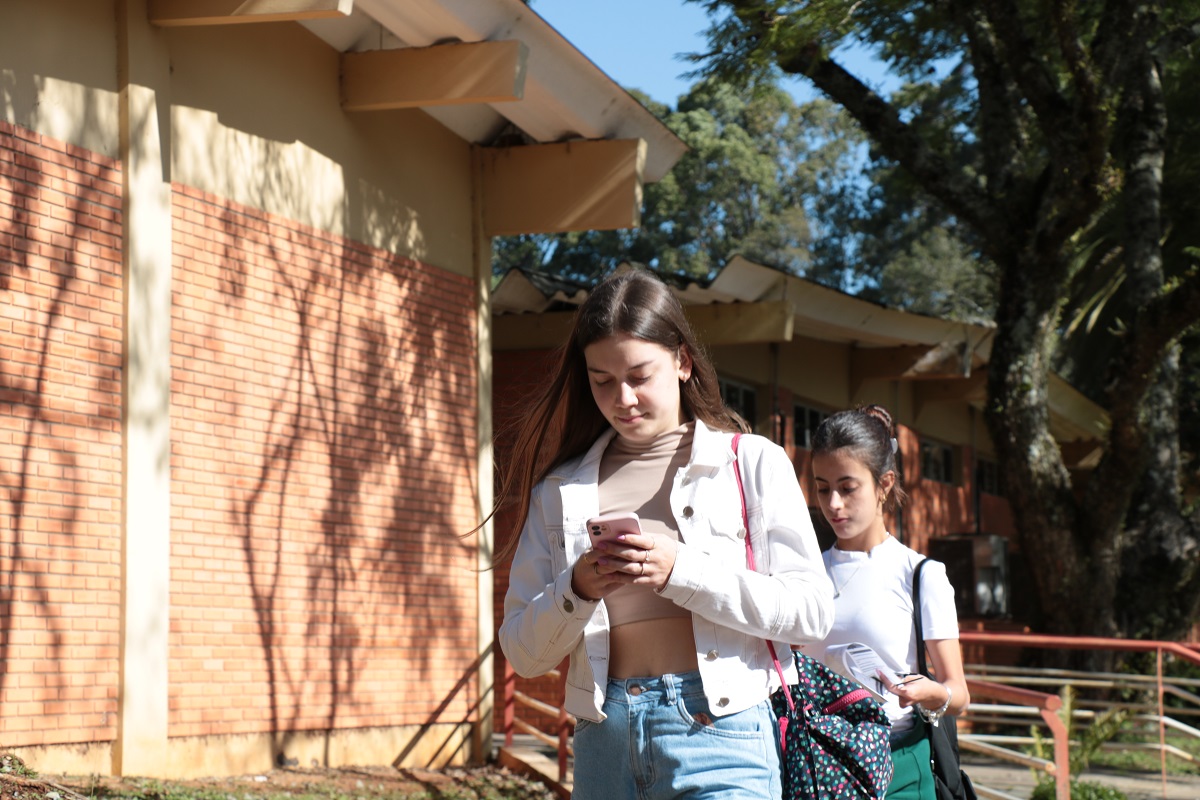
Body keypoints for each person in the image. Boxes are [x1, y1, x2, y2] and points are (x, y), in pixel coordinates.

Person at [495, 269, 834, 800]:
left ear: (683, 361)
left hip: (723, 733)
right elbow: (523, 654)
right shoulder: (558, 490)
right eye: (602, 380)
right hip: (604, 739)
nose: (623, 398)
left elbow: (811, 613)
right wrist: (577, 589)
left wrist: (683, 571)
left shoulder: (751, 462)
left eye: (639, 375)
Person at [805, 404, 971, 800]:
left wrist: (929, 692)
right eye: (823, 488)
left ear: (884, 484)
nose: (834, 504)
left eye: (848, 488)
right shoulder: (803, 572)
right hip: (814, 764)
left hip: (898, 768)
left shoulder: (920, 574)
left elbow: (959, 693)